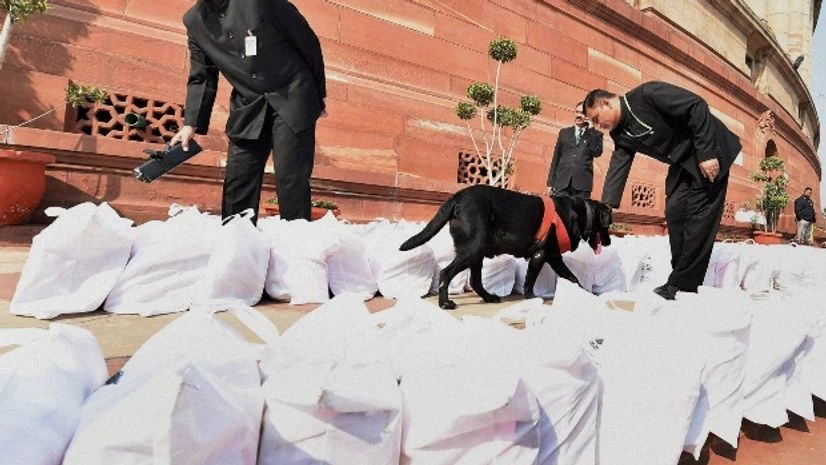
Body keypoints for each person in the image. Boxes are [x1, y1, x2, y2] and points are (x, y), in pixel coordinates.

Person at [170, 0, 327, 223]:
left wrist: (317, 95)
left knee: (290, 177)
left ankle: (296, 247)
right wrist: (190, 124)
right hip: (249, 105)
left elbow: (307, 42)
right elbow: (202, 76)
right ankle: (237, 243)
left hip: (291, 95)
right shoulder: (194, 21)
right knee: (238, 176)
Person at [583, 81, 741, 300]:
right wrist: (606, 207)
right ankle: (680, 276)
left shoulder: (648, 94)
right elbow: (618, 166)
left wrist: (706, 153)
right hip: (683, 161)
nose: (596, 125)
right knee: (675, 213)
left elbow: (697, 106)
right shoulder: (620, 135)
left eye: (596, 119)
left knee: (698, 219)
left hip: (710, 147)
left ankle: (683, 286)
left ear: (605, 103)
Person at [546, 102, 604, 199]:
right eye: (577, 112)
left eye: (581, 113)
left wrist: (591, 130)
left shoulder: (596, 134)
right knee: (560, 212)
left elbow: (596, 152)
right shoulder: (564, 133)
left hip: (582, 185)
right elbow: (556, 158)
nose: (578, 115)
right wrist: (550, 183)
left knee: (579, 214)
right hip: (562, 182)